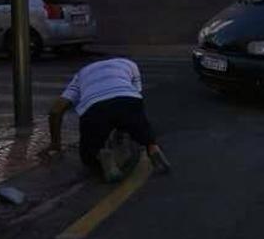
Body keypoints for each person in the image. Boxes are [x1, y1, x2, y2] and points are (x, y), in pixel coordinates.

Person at [41, 58, 171, 181]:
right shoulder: (130, 65)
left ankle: (102, 156)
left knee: (88, 154)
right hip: (127, 99)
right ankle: (152, 147)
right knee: (137, 124)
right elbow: (136, 94)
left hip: (94, 107)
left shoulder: (81, 75)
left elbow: (56, 111)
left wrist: (55, 144)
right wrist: (123, 129)